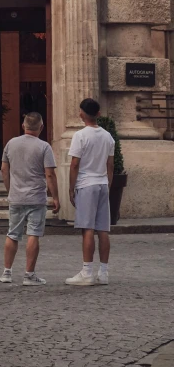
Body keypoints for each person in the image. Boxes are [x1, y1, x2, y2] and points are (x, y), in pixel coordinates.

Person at [0, 112, 60, 286]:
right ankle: (29, 275)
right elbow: (50, 174)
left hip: (16, 196)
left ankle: (7, 272)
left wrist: (10, 189)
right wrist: (55, 197)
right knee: (33, 234)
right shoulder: (44, 147)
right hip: (36, 197)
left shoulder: (11, 144)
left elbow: (4, 169)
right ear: (41, 127)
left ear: (23, 126)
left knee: (12, 234)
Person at [65, 98, 115, 287]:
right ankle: (103, 272)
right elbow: (110, 165)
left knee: (87, 228)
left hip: (86, 183)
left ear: (81, 114)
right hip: (102, 182)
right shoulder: (108, 136)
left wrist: (71, 188)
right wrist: (108, 184)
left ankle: (87, 271)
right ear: (98, 114)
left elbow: (75, 164)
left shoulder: (80, 135)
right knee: (103, 229)